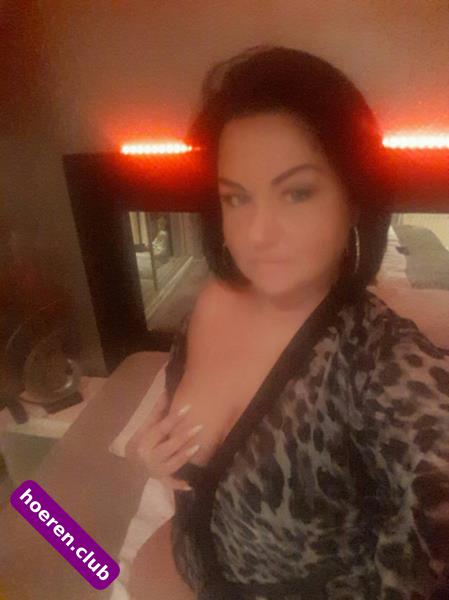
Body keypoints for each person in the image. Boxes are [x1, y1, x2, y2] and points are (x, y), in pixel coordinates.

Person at [126, 45, 449, 599]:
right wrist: (152, 457)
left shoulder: (381, 362)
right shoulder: (212, 301)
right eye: (237, 198)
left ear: (354, 197)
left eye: (297, 192)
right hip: (176, 570)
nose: (257, 234)